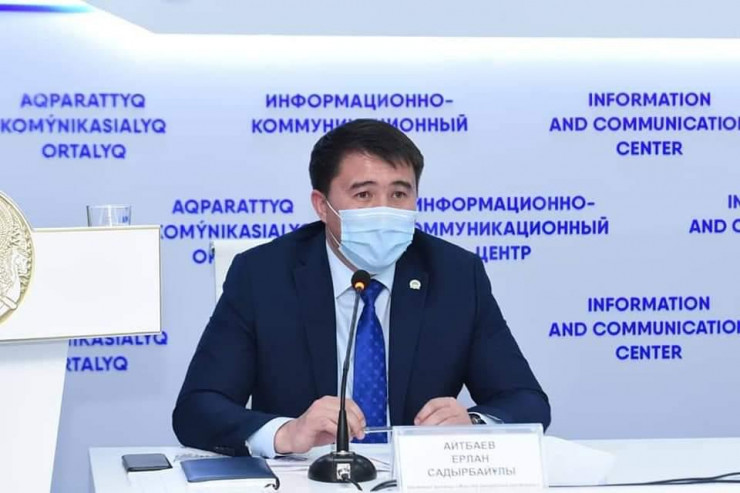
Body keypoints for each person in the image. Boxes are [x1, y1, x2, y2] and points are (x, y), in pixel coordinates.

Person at [173, 119, 550, 457]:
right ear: (322, 205)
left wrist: (474, 424)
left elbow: (526, 400)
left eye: (399, 194)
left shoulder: (456, 275)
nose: (384, 211)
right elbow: (197, 409)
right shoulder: (262, 275)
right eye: (364, 195)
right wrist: (286, 433)